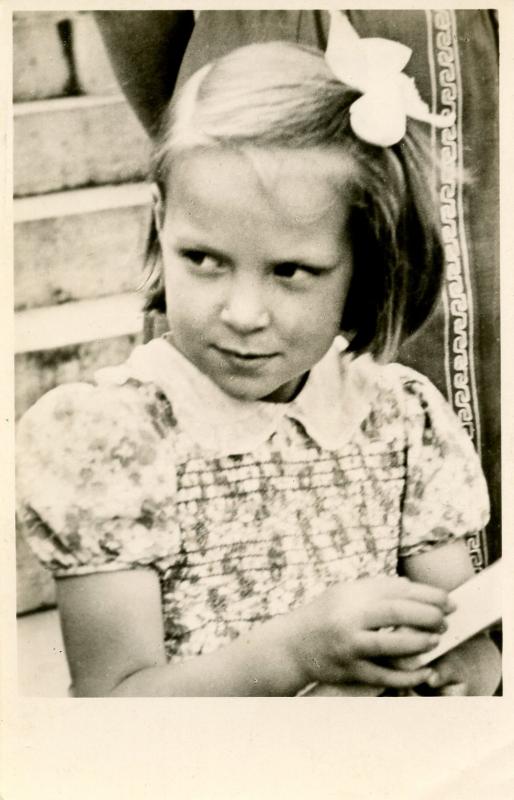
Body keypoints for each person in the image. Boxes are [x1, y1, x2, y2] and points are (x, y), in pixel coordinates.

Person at [16, 33, 501, 696]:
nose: (243, 312)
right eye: (204, 259)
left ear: (365, 263)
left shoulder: (400, 421)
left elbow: (468, 644)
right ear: (160, 223)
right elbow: (113, 703)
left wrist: (452, 673)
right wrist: (296, 654)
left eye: (292, 271)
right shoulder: (114, 441)